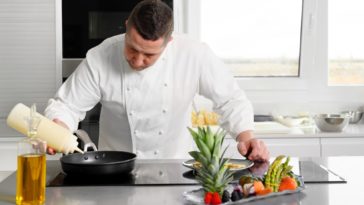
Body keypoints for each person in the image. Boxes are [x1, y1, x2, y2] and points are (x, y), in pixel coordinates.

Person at [45, 0, 269, 161]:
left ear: (169, 42)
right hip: (116, 170)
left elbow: (230, 100)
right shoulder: (101, 57)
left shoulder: (194, 54)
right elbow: (67, 105)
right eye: (132, 48)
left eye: (149, 55)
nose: (138, 60)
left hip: (176, 167)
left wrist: (246, 137)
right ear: (126, 27)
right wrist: (58, 127)